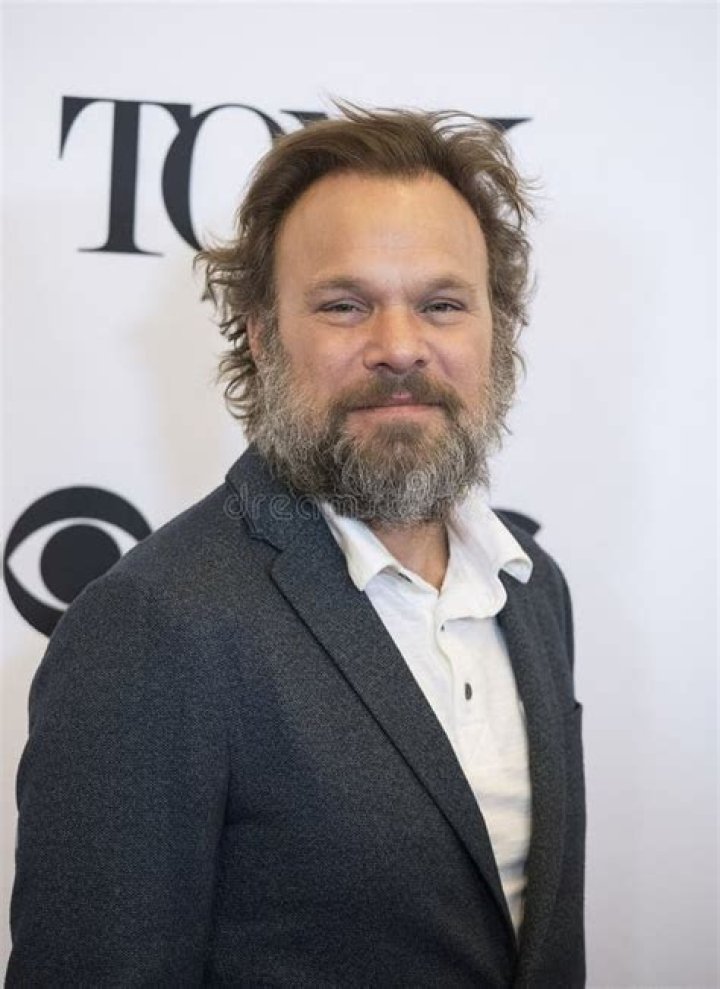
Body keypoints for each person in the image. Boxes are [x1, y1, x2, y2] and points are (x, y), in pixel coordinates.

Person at [7, 104, 585, 986]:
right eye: (345, 306)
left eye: (441, 304)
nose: (400, 347)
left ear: (494, 330)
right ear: (262, 332)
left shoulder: (534, 591)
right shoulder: (154, 625)